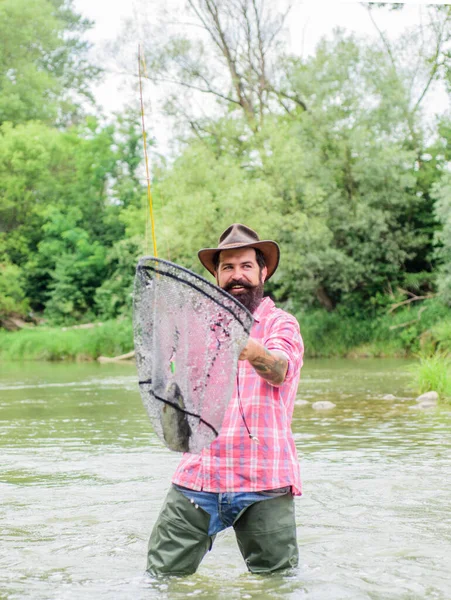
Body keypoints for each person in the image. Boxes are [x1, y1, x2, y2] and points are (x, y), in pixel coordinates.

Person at [147, 223, 304, 576]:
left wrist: (245, 344)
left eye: (246, 266)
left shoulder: (282, 324)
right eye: (228, 267)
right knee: (161, 580)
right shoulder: (196, 327)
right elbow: (172, 395)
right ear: (217, 275)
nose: (237, 275)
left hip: (265, 479)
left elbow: (279, 369)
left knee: (276, 587)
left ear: (263, 272)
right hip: (199, 477)